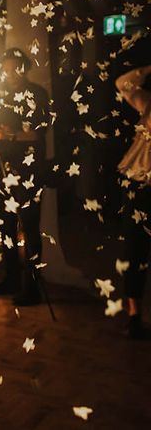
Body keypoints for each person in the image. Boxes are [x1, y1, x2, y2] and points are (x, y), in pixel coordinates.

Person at [0, 47, 51, 306]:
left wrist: (11, 135)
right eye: (6, 69)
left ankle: (33, 285)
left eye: (16, 68)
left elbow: (36, 134)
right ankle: (12, 276)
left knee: (30, 225)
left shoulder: (37, 94)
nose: (11, 73)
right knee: (5, 224)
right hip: (3, 166)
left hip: (28, 170)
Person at [115, 64, 151, 339]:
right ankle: (134, 316)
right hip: (141, 188)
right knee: (134, 250)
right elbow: (123, 83)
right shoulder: (148, 104)